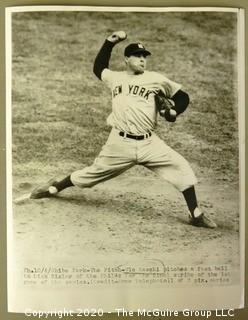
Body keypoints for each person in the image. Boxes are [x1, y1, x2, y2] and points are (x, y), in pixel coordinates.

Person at [30, 31, 217, 229]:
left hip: (149, 143)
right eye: (138, 55)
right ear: (127, 59)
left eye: (145, 56)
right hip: (119, 144)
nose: (142, 60)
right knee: (91, 174)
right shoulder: (115, 78)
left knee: (181, 166)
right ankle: (54, 187)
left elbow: (183, 97)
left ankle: (195, 213)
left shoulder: (155, 79)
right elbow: (98, 68)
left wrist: (173, 111)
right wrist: (108, 43)